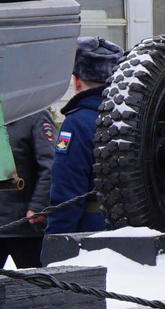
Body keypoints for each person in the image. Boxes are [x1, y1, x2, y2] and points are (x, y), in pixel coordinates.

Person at [44, 38, 123, 235]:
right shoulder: (135, 119)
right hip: (136, 233)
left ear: (76, 81)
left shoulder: (77, 123)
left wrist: (54, 247)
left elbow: (67, 195)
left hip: (90, 237)